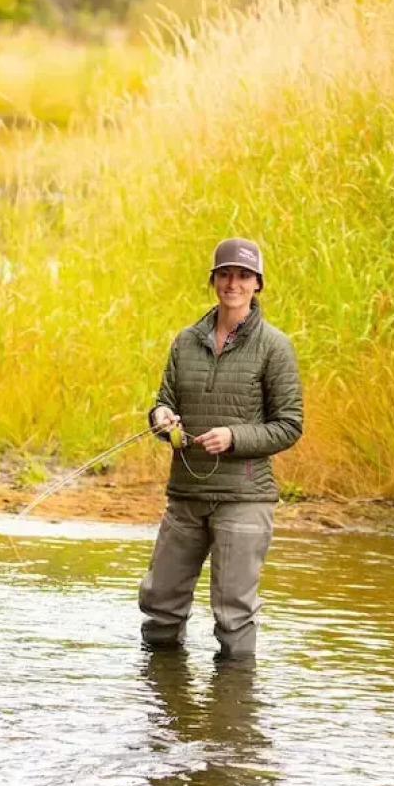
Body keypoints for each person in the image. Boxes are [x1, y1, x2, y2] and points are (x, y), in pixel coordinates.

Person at [138, 237, 303, 660]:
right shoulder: (185, 341)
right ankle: (164, 716)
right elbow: (165, 400)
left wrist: (234, 438)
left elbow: (289, 425)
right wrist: (161, 419)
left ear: (258, 284)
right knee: (160, 608)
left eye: (243, 276)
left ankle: (231, 720)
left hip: (244, 498)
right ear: (213, 279)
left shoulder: (275, 346)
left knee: (233, 617)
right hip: (186, 496)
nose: (233, 283)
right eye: (225, 274)